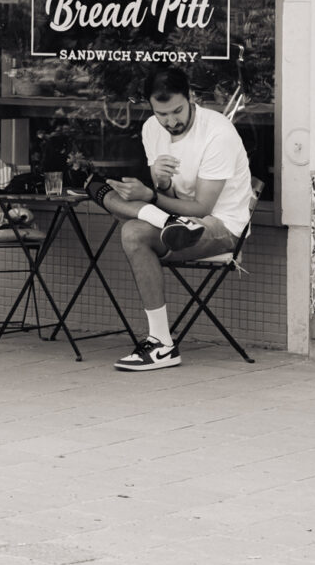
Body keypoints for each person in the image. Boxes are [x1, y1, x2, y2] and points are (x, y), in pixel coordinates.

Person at [82, 66, 255, 373]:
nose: (171, 121)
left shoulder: (218, 132)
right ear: (151, 107)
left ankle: (161, 344)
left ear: (190, 97)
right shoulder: (151, 128)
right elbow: (170, 192)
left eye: (177, 111)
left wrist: (150, 196)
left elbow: (203, 207)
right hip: (174, 220)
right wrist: (159, 184)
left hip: (220, 225)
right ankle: (163, 224)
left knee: (133, 233)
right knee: (96, 185)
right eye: (162, 114)